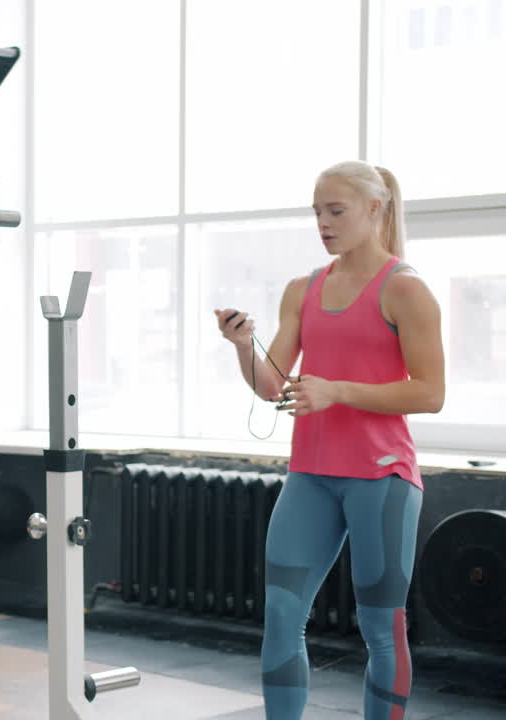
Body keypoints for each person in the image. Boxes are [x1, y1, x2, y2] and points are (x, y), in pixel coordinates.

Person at [215, 162, 444, 720]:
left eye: (335, 211)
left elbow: (430, 393)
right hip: (311, 474)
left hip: (382, 477)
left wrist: (338, 390)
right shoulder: (304, 289)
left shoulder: (406, 290)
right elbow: (275, 387)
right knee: (281, 616)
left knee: (380, 630)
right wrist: (245, 346)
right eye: (316, 211)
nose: (322, 222)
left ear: (374, 209)